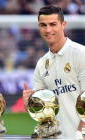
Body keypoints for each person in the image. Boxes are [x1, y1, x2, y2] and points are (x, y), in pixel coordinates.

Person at [22, 5, 85, 137]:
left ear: (63, 24)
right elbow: (42, 111)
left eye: (53, 24)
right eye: (43, 25)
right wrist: (30, 104)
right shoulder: (41, 64)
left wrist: (80, 133)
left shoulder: (80, 54)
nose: (48, 29)